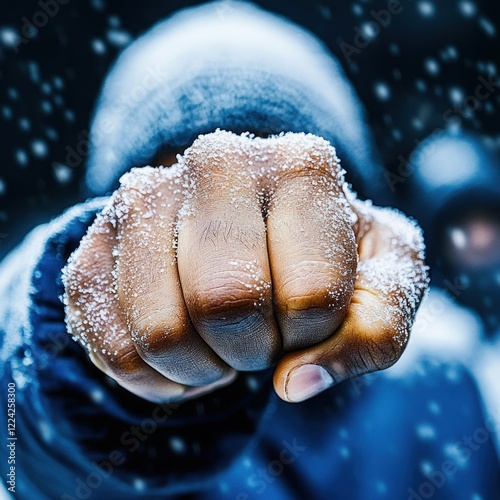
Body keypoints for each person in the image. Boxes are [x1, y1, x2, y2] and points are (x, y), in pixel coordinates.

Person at [1, 2, 498, 499]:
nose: (243, 234)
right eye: (186, 193)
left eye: (286, 190)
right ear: (116, 225)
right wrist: (73, 359)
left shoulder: (451, 378)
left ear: (350, 196)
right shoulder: (109, 432)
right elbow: (23, 443)